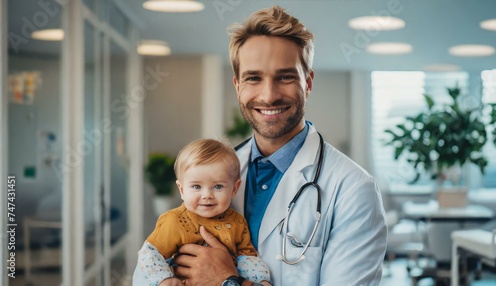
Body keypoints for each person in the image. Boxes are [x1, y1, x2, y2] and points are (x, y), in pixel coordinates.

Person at [135, 5, 387, 286]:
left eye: (285, 77)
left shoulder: (353, 189)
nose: (269, 95)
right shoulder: (217, 170)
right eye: (254, 78)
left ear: (308, 83)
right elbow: (147, 271)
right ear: (237, 85)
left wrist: (228, 281)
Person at [133, 139, 271, 286]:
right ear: (182, 190)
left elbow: (247, 258)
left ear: (235, 188)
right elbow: (150, 254)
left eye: (218, 186)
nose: (207, 195)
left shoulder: (237, 222)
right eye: (197, 187)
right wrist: (164, 279)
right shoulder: (174, 221)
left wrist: (260, 281)